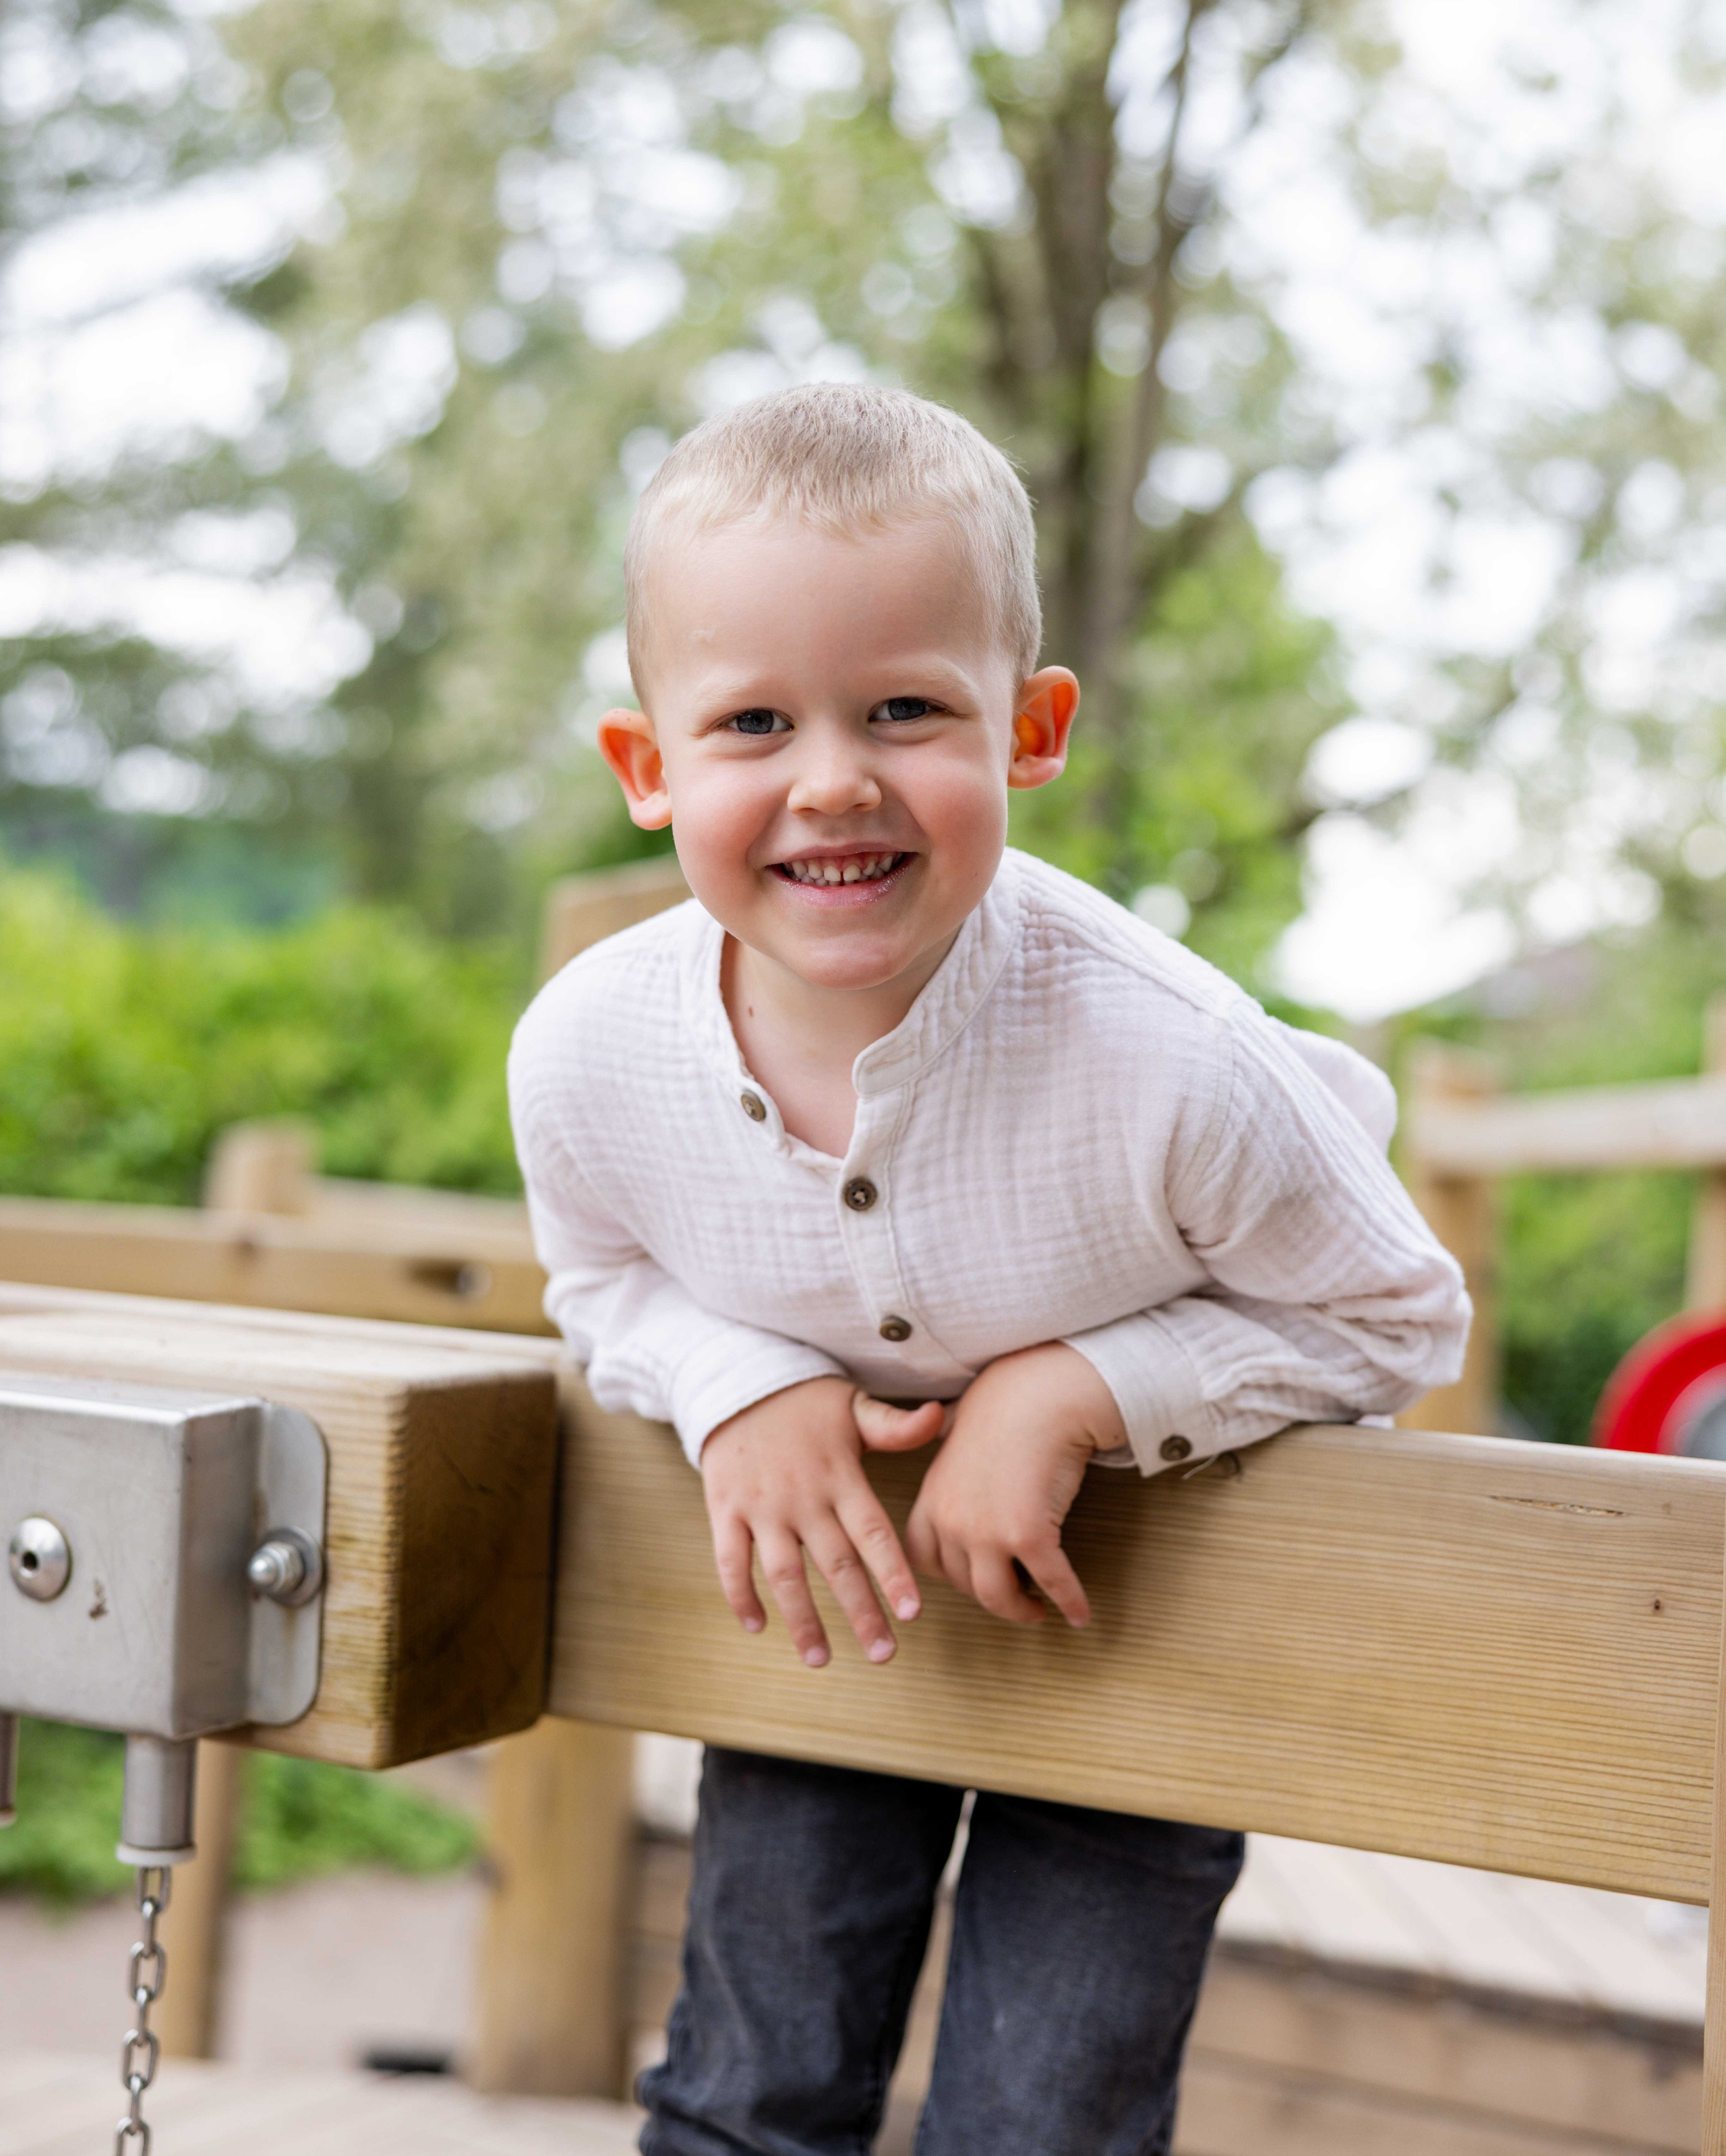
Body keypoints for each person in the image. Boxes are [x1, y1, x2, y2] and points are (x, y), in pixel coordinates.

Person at [509, 382, 1468, 2156]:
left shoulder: (1172, 1059)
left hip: (1145, 1618)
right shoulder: (588, 1058)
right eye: (750, 722)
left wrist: (1083, 1385)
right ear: (649, 768)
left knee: (1043, 2121)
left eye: (903, 708)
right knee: (747, 2091)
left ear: (1028, 729)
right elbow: (603, 1282)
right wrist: (743, 1387)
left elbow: (1396, 1308)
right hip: (836, 1617)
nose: (833, 779)